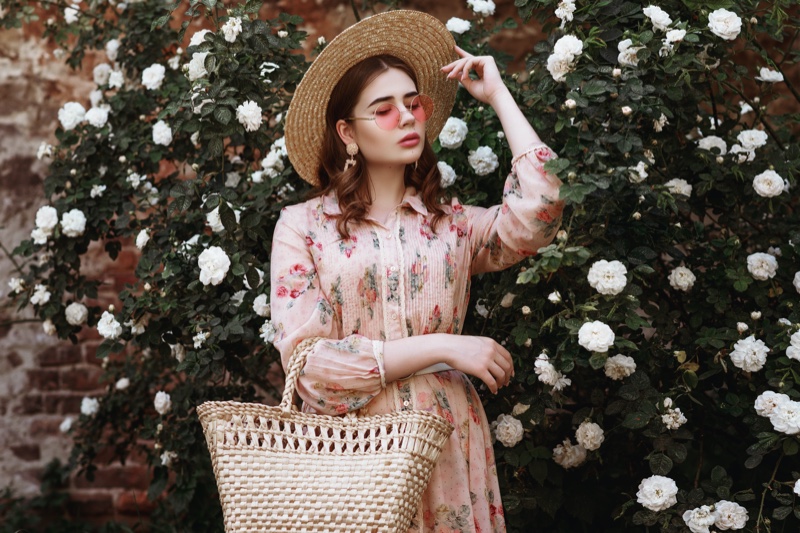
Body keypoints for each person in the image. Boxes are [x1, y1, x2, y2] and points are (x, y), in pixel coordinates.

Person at [271, 10, 564, 532]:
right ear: (347, 133)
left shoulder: (451, 226)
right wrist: (447, 346)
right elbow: (311, 367)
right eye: (384, 110)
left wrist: (499, 95)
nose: (407, 118)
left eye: (414, 104)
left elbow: (540, 213)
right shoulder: (304, 226)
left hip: (447, 446)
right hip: (352, 455)